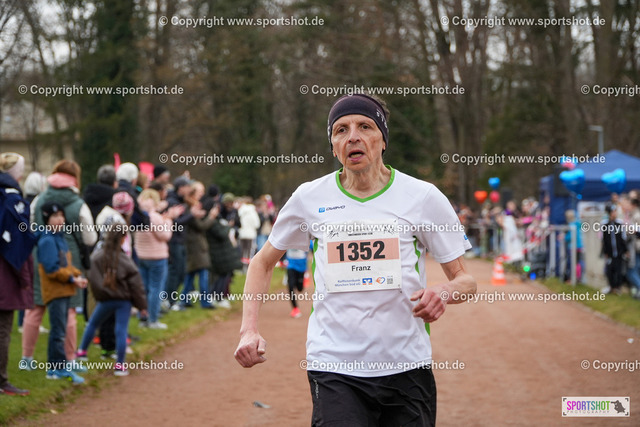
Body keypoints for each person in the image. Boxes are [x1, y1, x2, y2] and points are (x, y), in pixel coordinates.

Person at [234, 94, 476, 426]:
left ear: (383, 139)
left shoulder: (423, 197)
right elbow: (262, 262)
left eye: (365, 126)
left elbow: (466, 281)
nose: (352, 137)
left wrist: (444, 292)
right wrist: (248, 330)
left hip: (406, 364)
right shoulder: (309, 198)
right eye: (341, 130)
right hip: (334, 365)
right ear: (333, 146)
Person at [24, 160, 97, 371]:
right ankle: (70, 359)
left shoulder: (39, 199)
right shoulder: (78, 203)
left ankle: (26, 359)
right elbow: (90, 238)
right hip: (68, 260)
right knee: (69, 311)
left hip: (40, 257)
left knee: (35, 308)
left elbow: (30, 226)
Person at [77, 227, 148, 376]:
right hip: (123, 301)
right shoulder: (125, 260)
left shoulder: (97, 256)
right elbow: (136, 285)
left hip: (105, 299)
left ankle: (82, 351)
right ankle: (120, 365)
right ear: (122, 239)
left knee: (93, 323)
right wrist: (142, 306)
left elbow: (92, 276)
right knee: (121, 330)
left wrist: (101, 293)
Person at [38, 202, 88, 384]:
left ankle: (61, 366)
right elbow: (52, 269)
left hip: (65, 291)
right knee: (58, 332)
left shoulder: (60, 238)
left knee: (61, 330)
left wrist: (77, 274)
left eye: (61, 215)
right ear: (46, 219)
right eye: (55, 216)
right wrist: (72, 279)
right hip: (56, 292)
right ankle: (55, 369)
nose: (60, 220)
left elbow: (66, 265)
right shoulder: (47, 241)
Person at [0, 153, 35, 396]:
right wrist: (24, 278)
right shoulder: (12, 201)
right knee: (3, 328)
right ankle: (2, 381)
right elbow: (18, 244)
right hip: (5, 272)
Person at [135, 189, 182, 328]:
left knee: (144, 289)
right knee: (156, 289)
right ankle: (153, 319)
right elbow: (165, 235)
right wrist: (169, 220)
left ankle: (143, 317)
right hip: (156, 257)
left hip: (142, 256)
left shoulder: (139, 216)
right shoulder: (154, 217)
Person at [182, 181, 216, 309]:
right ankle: (205, 301)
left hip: (195, 245)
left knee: (191, 273)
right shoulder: (191, 207)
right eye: (200, 192)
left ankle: (184, 299)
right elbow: (201, 226)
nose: (202, 194)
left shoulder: (192, 206)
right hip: (196, 245)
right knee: (202, 272)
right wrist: (211, 217)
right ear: (193, 193)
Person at [206, 202, 242, 309]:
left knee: (223, 275)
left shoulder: (216, 220)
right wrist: (228, 227)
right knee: (221, 275)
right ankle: (217, 297)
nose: (217, 211)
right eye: (215, 209)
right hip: (218, 252)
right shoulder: (211, 221)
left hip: (222, 252)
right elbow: (221, 233)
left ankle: (216, 296)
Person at [601, 204, 628, 295]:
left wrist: (625, 250)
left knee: (619, 270)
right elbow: (604, 239)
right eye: (613, 211)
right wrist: (605, 251)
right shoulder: (605, 224)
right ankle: (611, 286)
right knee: (609, 270)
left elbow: (623, 237)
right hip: (610, 252)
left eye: (615, 211)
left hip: (619, 252)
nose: (614, 213)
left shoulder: (619, 223)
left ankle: (617, 287)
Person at [285, 247, 309, 318]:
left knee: (300, 289)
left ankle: (300, 281)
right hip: (291, 265)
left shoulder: (305, 239)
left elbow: (312, 247)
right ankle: (295, 308)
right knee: (291, 286)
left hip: (301, 266)